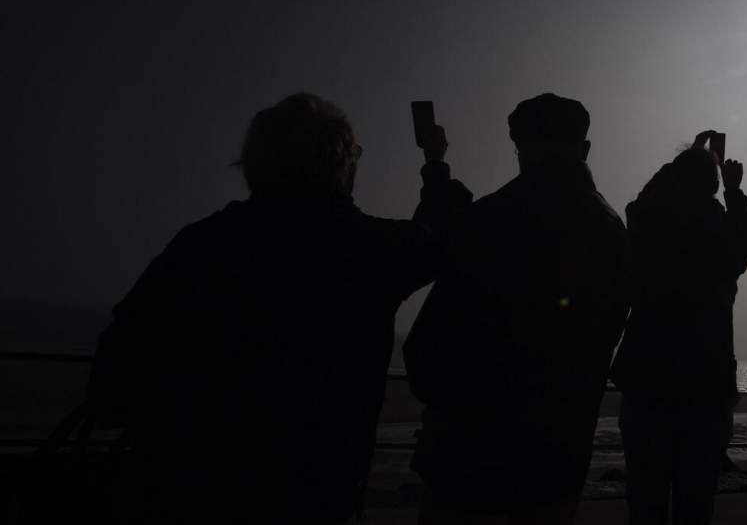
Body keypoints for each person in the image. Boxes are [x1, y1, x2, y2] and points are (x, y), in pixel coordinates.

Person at [87, 93, 471, 523]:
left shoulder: (200, 246)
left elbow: (111, 381)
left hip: (185, 493)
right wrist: (434, 160)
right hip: (313, 497)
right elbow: (442, 233)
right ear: (341, 164)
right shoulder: (367, 250)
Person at [403, 93, 630, 524]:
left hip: (468, 458)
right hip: (556, 461)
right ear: (584, 149)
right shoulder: (612, 231)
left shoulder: (490, 218)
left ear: (519, 146)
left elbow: (427, 350)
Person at [610, 131, 747, 524]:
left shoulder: (648, 230)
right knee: (696, 503)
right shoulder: (721, 233)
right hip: (706, 385)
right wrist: (732, 189)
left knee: (645, 499)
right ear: (713, 186)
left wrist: (689, 158)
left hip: (648, 380)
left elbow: (639, 204)